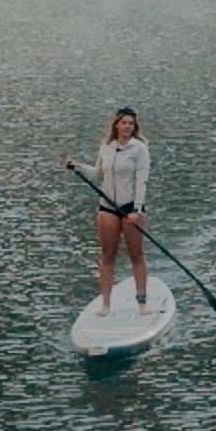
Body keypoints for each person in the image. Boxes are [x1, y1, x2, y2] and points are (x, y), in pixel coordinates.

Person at [63, 108, 152, 316]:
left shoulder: (139, 149)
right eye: (124, 123)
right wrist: (78, 167)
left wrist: (136, 210)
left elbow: (142, 181)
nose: (128, 127)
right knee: (106, 255)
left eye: (131, 123)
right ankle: (105, 304)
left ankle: (142, 302)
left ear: (134, 127)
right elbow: (98, 174)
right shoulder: (106, 147)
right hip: (108, 207)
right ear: (116, 125)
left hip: (131, 207)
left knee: (136, 255)